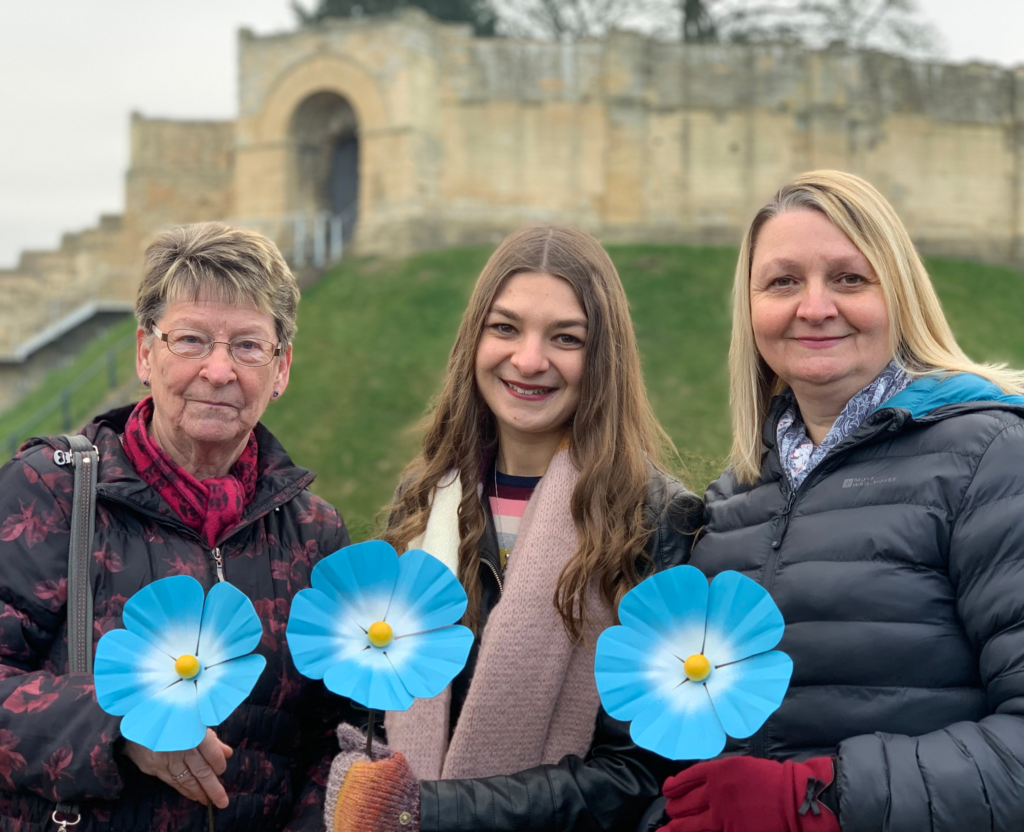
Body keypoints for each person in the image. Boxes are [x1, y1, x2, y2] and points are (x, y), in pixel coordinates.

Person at [653, 170, 1024, 832]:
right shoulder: (732, 503)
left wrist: (815, 798)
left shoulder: (991, 458)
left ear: (899, 294)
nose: (815, 306)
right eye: (783, 281)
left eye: (850, 279)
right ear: (750, 308)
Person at [321, 226, 703, 832]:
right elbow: (378, 697)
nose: (528, 360)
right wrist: (359, 767)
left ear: (603, 357)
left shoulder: (659, 521)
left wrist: (430, 813)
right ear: (474, 339)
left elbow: (642, 772)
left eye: (566, 338)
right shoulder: (424, 503)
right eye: (505, 328)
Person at [0, 222, 350, 831]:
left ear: (282, 368)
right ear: (144, 352)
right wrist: (123, 727)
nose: (218, 371)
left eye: (247, 346)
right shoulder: (51, 492)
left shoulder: (314, 533)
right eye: (190, 340)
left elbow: (334, 735)